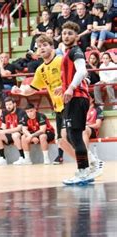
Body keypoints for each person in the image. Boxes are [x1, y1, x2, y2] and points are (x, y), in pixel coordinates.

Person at [11, 35, 66, 165]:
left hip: (70, 103)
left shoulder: (61, 60)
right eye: (39, 46)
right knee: (61, 139)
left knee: (70, 136)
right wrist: (21, 91)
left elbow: (76, 77)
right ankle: (87, 163)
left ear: (52, 47)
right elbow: (32, 89)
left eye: (45, 45)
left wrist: (64, 86)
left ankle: (87, 163)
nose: (42, 48)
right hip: (58, 107)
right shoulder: (40, 70)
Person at [56, 22, 94, 185]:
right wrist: (63, 86)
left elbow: (82, 71)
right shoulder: (68, 52)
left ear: (76, 37)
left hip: (77, 98)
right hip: (75, 97)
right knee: (72, 136)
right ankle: (85, 168)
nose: (66, 36)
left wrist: (70, 88)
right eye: (64, 33)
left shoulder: (75, 51)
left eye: (70, 33)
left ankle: (84, 171)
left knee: (74, 136)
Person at [0, 97, 25, 166]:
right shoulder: (5, 113)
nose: (8, 107)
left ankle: (23, 157)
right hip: (9, 133)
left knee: (15, 135)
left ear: (14, 104)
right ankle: (3, 158)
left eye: (10, 104)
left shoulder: (20, 112)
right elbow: (3, 127)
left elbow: (19, 128)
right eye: (7, 105)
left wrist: (5, 131)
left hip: (20, 133)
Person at [83, 93, 105, 176]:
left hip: (92, 130)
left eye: (88, 98)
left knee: (84, 129)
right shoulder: (82, 109)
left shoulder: (98, 109)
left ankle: (86, 157)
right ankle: (90, 158)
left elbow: (98, 125)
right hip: (83, 130)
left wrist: (87, 125)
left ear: (92, 99)